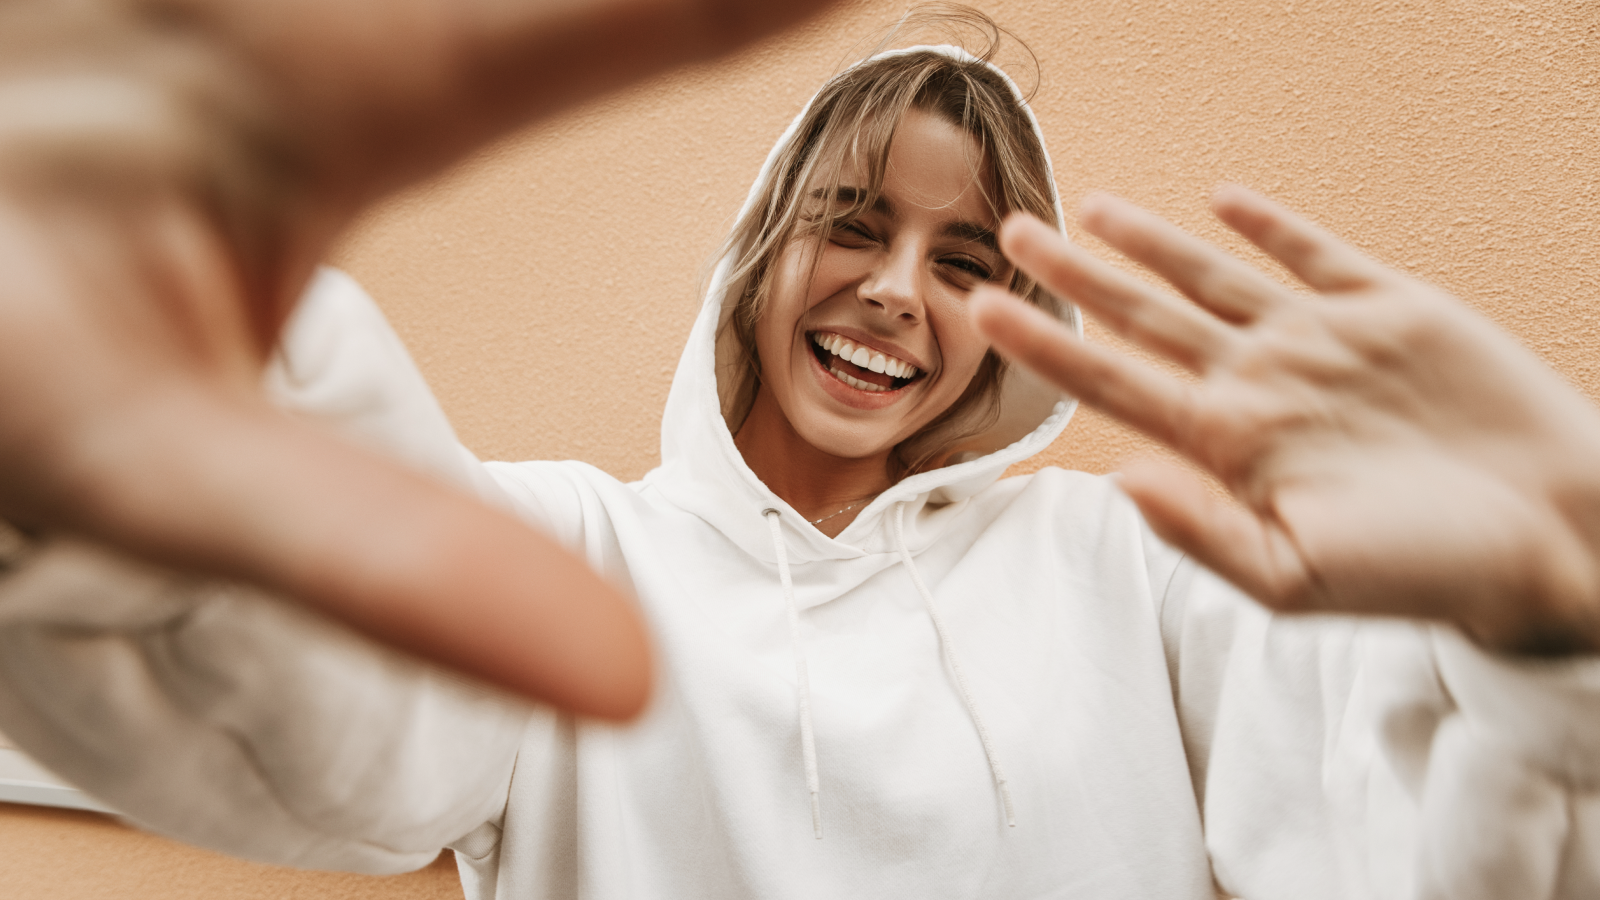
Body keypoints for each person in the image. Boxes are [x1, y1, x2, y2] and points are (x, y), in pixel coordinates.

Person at [3, 7, 1600, 900]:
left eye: (966, 261)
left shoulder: (1130, 560)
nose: (898, 292)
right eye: (852, 225)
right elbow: (336, 719)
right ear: (761, 259)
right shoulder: (576, 551)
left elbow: (1416, 843)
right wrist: (99, 439)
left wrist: (1550, 640)